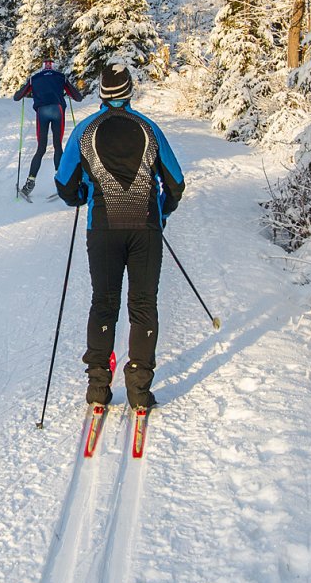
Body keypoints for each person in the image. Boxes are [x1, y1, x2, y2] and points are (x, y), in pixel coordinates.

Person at [54, 65, 184, 410]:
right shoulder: (148, 128)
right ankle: (139, 390)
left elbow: (64, 185)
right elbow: (176, 183)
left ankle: (98, 385)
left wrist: (83, 194)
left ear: (101, 94)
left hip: (103, 229)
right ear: (129, 92)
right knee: (143, 305)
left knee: (104, 302)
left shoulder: (85, 130)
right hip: (145, 228)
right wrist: (162, 210)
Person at [12, 58, 84, 197]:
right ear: (53, 66)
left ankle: (29, 184)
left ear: (43, 67)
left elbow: (17, 97)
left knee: (41, 148)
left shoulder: (35, 78)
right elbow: (78, 97)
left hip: (42, 111)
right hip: (58, 110)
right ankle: (62, 184)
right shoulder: (60, 77)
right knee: (58, 146)